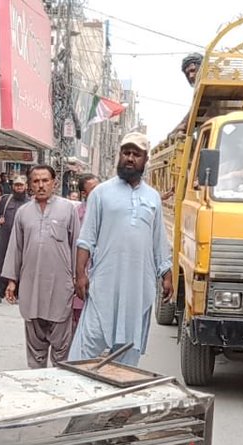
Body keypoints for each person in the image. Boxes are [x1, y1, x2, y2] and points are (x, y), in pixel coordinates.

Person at [69, 133, 172, 367]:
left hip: (138, 286)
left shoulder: (153, 198)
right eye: (126, 153)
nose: (130, 158)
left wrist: (166, 274)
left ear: (145, 160)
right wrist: (80, 274)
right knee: (87, 345)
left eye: (136, 154)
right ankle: (76, 389)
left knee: (128, 350)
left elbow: (159, 241)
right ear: (120, 155)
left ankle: (120, 389)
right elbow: (86, 239)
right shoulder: (101, 193)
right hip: (105, 282)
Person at [2, 165, 80, 368]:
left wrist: (78, 278)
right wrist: (12, 281)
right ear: (30, 185)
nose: (41, 185)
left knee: (62, 350)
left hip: (60, 286)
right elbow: (16, 247)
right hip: (32, 286)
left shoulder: (68, 209)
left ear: (54, 183)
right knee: (35, 348)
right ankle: (36, 382)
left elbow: (76, 244)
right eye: (36, 181)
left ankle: (59, 383)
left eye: (45, 180)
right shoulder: (23, 212)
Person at [0, 174, 31, 303]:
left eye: (21, 185)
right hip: (5, 237)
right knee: (0, 264)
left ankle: (17, 294)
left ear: (26, 186)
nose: (19, 187)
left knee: (21, 265)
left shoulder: (30, 203)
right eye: (16, 185)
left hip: (22, 239)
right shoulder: (6, 200)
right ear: (13, 186)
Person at [72, 173, 100, 326]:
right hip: (81, 273)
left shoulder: (108, 213)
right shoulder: (76, 214)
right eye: (95, 189)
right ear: (84, 193)